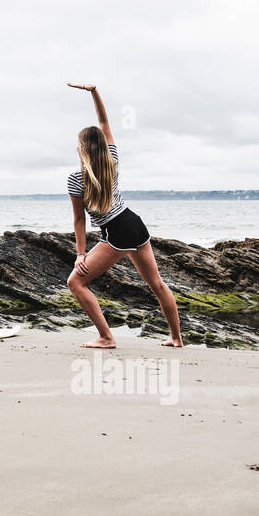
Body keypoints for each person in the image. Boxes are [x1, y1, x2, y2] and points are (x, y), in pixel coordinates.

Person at [65, 83, 183, 348]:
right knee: (157, 284)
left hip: (117, 232)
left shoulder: (76, 179)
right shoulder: (112, 161)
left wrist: (80, 255)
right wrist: (94, 92)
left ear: (82, 148)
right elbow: (104, 121)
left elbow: (80, 220)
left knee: (75, 282)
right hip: (134, 222)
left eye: (77, 143)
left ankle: (106, 337)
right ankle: (176, 338)